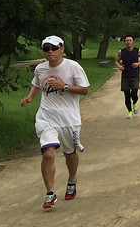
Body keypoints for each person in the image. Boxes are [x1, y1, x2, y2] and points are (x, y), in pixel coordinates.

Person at [20, 36, 89, 209]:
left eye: (54, 48)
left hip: (68, 119)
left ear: (62, 49)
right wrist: (29, 97)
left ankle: (72, 180)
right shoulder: (40, 69)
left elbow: (85, 90)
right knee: (48, 154)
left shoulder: (73, 67)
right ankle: (50, 192)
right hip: (46, 116)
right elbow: (37, 85)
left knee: (70, 154)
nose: (50, 51)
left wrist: (64, 86)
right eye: (46, 48)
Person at [116, 35, 140, 119]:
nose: (128, 42)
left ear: (133, 41)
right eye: (127, 40)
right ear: (124, 42)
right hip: (125, 76)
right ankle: (130, 112)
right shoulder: (121, 52)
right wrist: (119, 67)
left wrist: (138, 64)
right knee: (126, 95)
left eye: (130, 40)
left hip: (135, 75)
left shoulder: (138, 51)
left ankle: (135, 103)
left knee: (134, 93)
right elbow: (117, 61)